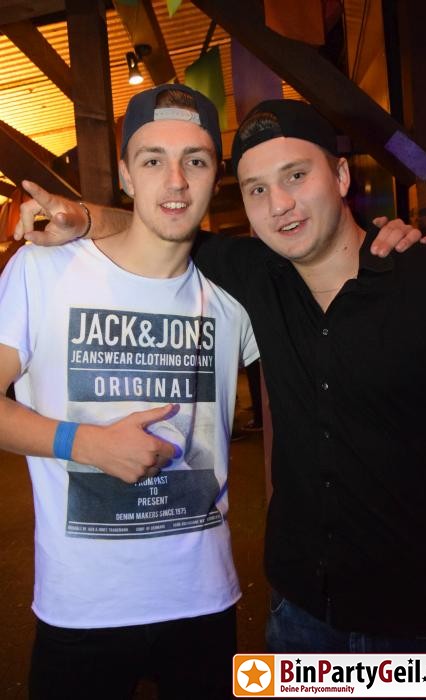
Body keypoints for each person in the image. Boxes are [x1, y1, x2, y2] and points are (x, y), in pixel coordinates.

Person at [14, 101, 426, 656]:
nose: (280, 203)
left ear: (340, 175)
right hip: (276, 614)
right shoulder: (49, 268)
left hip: (391, 622)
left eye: (296, 175)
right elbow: (158, 224)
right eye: (257, 189)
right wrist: (85, 443)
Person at [0, 84, 259, 700]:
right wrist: (84, 443)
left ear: (216, 174)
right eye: (152, 160)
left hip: (205, 600)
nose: (176, 181)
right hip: (84, 607)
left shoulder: (233, 297)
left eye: (195, 160)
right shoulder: (45, 269)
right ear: (124, 174)